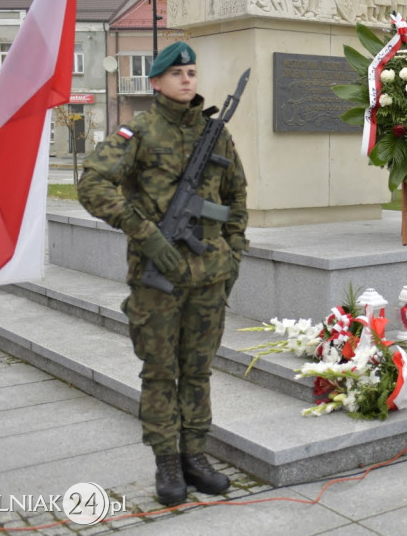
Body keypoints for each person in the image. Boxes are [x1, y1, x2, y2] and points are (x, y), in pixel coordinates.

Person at [78, 42, 249, 507]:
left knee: (198, 372)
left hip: (209, 277)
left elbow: (236, 198)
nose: (188, 80)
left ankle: (196, 454)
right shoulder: (139, 131)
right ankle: (167, 462)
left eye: (192, 72)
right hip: (158, 278)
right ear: (156, 82)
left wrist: (233, 255)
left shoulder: (216, 136)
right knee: (159, 373)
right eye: (177, 74)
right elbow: (91, 182)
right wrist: (146, 235)